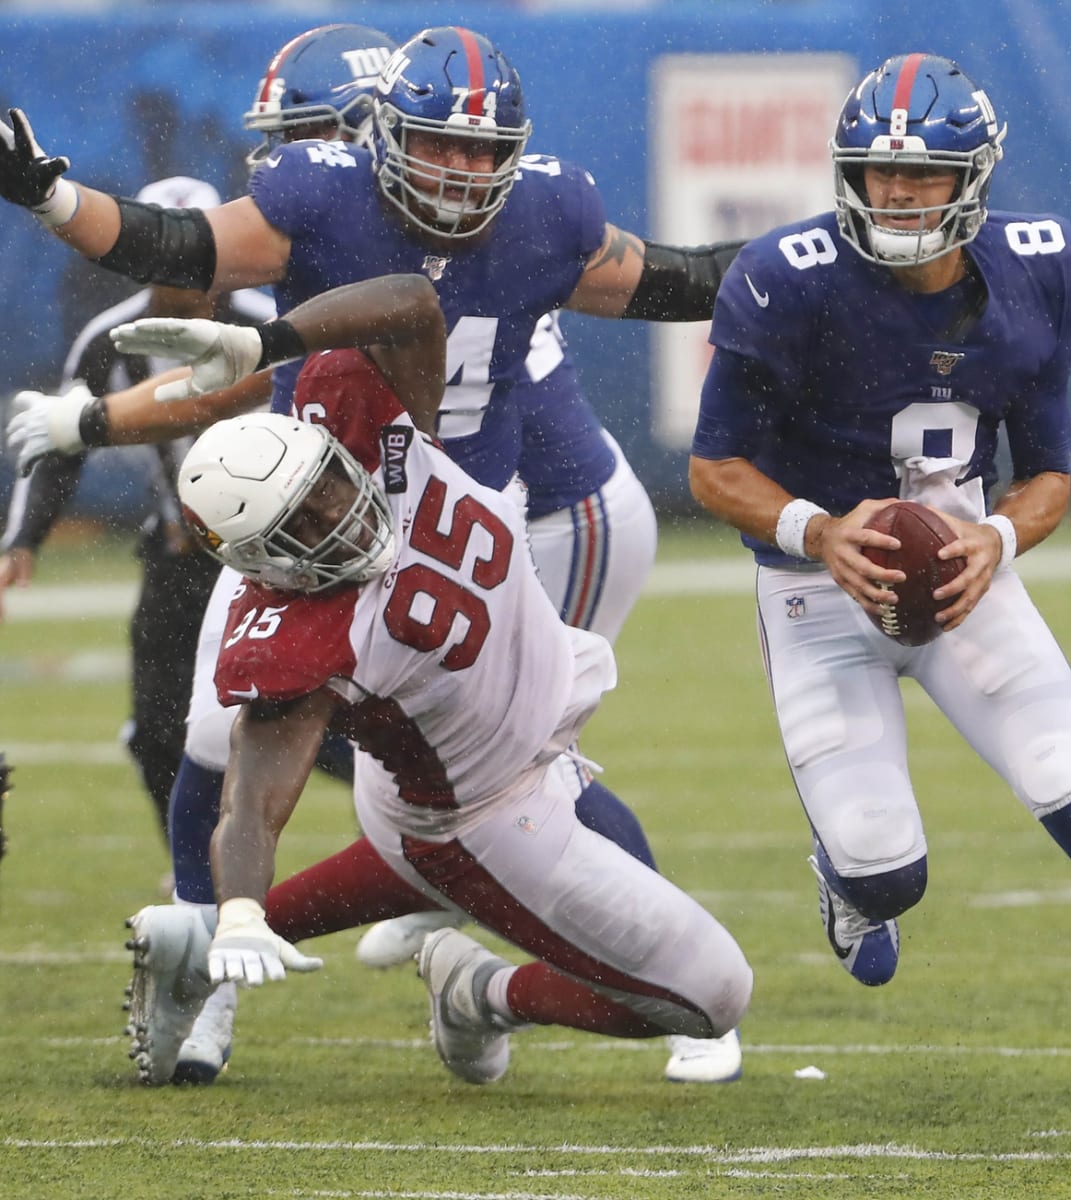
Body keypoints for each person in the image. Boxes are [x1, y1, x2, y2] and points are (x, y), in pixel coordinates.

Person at [0, 24, 741, 1082]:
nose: (466, 172)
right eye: (444, 146)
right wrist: (55, 216)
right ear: (385, 137)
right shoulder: (324, 200)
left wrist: (827, 266)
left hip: (469, 526)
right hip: (315, 508)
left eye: (486, 153)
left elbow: (672, 281)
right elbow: (186, 259)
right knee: (228, 735)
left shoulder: (541, 214)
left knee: (508, 777)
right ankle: (218, 950)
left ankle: (308, 945)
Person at [687, 52, 1071, 1066]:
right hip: (816, 593)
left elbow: (1047, 471)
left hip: (965, 577)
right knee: (887, 869)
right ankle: (850, 887)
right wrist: (820, 532)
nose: (901, 190)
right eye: (881, 172)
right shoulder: (785, 281)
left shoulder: (1044, 265)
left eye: (925, 172)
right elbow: (713, 471)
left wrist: (995, 537)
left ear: (977, 177)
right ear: (849, 174)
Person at [122, 359, 752, 1089]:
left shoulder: (373, 426)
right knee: (710, 996)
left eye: (324, 484)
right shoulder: (298, 636)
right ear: (256, 559)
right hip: (478, 814)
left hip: (477, 761)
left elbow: (412, 301)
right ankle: (479, 993)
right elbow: (252, 804)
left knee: (415, 867)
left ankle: (191, 954)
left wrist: (276, 335)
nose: (335, 514)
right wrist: (234, 908)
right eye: (299, 523)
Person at [0, 176, 274, 845]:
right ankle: (192, 875)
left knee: (304, 720)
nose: (180, 269)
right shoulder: (108, 336)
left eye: (193, 250)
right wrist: (22, 539)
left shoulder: (272, 320)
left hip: (275, 559)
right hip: (181, 551)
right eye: (165, 250)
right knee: (155, 729)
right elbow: (59, 442)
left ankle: (403, 846)